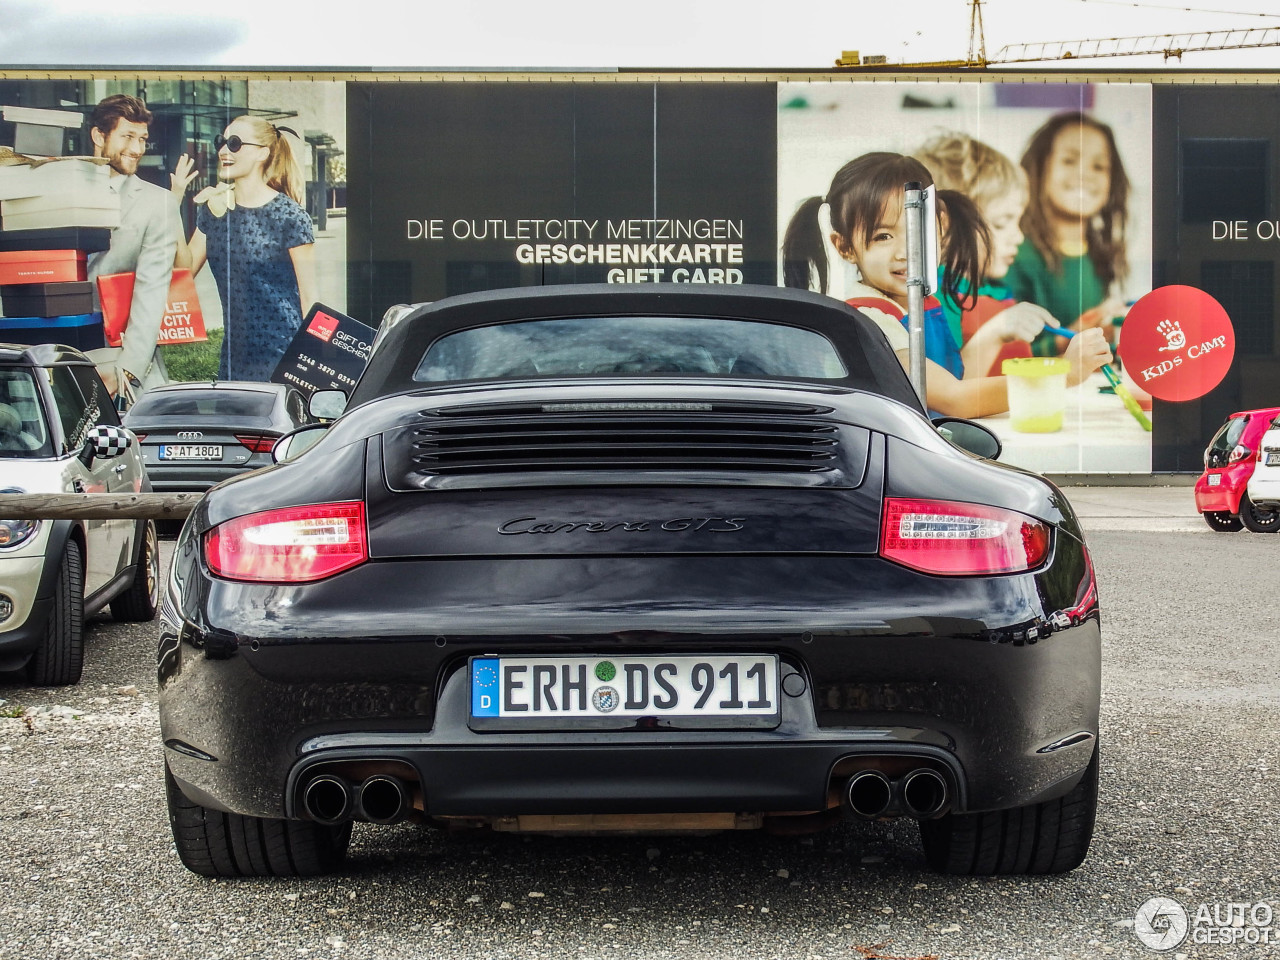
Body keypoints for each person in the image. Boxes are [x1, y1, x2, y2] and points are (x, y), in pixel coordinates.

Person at [782, 152, 1111, 419]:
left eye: (914, 230)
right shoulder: (873, 318)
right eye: (882, 236)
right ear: (844, 247)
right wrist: (1062, 375)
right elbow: (957, 400)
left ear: (939, 228)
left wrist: (997, 331)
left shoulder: (921, 301)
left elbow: (958, 383)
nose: (903, 251)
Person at [184, 116, 317, 382]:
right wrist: (171, 202)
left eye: (234, 143)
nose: (223, 151)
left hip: (282, 355)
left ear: (262, 153)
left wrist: (311, 363)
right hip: (234, 357)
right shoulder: (213, 211)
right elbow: (182, 273)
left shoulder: (289, 216)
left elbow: (310, 299)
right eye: (221, 142)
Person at [913, 131, 1056, 376]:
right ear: (944, 226)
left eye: (1018, 222)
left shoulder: (990, 291)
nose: (1018, 237)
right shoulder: (937, 299)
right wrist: (997, 331)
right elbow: (948, 391)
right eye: (1001, 223)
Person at [1004, 111, 1131, 356]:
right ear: (1039, 169)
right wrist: (1073, 337)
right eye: (1069, 160)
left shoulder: (1100, 255)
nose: (1084, 174)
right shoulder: (1014, 256)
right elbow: (1001, 360)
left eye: (1099, 166)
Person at [84, 94, 180, 405]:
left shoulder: (158, 203)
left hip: (120, 361)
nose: (137, 149)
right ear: (100, 136)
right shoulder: (61, 190)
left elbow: (152, 290)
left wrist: (128, 369)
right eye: (127, 137)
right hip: (49, 357)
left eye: (142, 139)